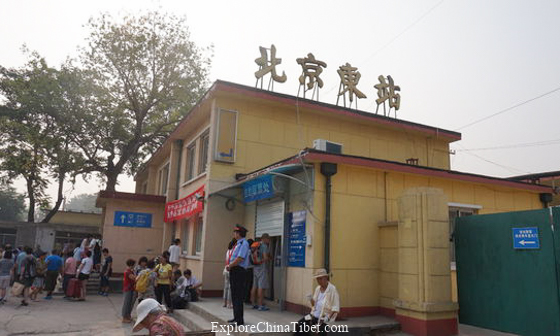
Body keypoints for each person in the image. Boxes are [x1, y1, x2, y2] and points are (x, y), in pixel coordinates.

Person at [294, 269, 340, 336]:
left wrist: (327, 318)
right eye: (317, 279)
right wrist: (310, 299)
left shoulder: (332, 290)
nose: (319, 281)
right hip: (313, 315)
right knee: (299, 324)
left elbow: (335, 308)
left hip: (324, 318)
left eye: (321, 279)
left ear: (326, 278)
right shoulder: (318, 288)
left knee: (319, 332)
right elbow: (314, 305)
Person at [225, 225, 250, 325]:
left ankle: (239, 320)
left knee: (238, 295)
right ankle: (236, 317)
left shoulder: (244, 243)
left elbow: (240, 258)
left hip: (239, 271)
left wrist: (230, 265)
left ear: (239, 233)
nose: (234, 234)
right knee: (234, 295)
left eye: (235, 232)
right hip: (234, 270)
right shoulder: (238, 243)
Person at [251, 233, 271, 311]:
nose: (269, 241)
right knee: (261, 287)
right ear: (265, 239)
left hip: (255, 268)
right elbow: (265, 258)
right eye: (268, 239)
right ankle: (260, 305)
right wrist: (268, 259)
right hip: (262, 268)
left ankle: (253, 304)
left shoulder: (256, 245)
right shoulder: (264, 246)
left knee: (254, 286)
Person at [122, 259, 137, 323]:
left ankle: (128, 316)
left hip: (131, 289)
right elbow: (134, 278)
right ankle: (124, 317)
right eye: (134, 264)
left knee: (130, 303)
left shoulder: (130, 271)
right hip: (128, 289)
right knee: (127, 303)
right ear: (132, 265)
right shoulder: (128, 271)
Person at [223, 238, 236, 308]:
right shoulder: (234, 252)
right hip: (231, 269)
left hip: (226, 269)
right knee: (231, 287)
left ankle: (224, 302)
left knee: (226, 287)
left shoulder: (228, 251)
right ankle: (229, 303)